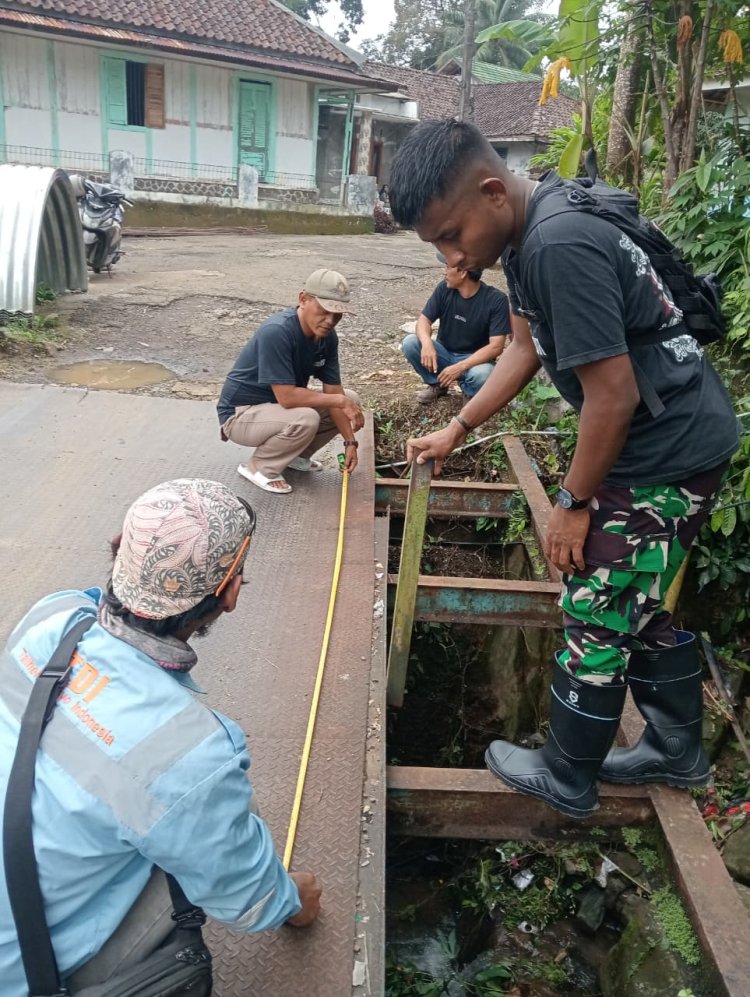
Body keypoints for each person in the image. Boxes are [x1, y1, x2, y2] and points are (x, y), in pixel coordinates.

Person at [389, 119, 739, 819]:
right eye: (436, 245)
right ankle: (676, 749)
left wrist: (573, 502)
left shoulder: (557, 243)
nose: (451, 256)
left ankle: (568, 773)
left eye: (451, 235)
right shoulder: (530, 228)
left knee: (595, 602)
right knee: (634, 597)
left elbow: (612, 396)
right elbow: (524, 349)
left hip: (663, 454)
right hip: (670, 438)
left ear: (492, 191)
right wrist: (458, 427)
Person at [0, 478, 322, 995]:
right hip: (24, 976)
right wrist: (291, 900)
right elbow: (248, 903)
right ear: (230, 593)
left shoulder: (53, 618)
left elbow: (95, 607)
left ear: (119, 550)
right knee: (201, 825)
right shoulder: (190, 753)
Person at [218, 268, 365, 495]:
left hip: (275, 410)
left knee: (350, 399)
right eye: (324, 310)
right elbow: (287, 398)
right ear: (303, 299)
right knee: (306, 418)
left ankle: (296, 456)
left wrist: (350, 442)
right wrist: (339, 401)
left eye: (337, 314)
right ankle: (259, 467)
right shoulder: (277, 331)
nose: (330, 321)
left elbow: (335, 391)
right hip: (240, 415)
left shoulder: (326, 337)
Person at [401, 254, 510, 403]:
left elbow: (496, 347)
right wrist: (426, 343)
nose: (444, 272)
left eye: (447, 266)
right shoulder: (444, 288)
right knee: (410, 343)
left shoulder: (496, 300)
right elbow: (423, 320)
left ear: (463, 272)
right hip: (444, 353)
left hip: (474, 361)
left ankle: (470, 392)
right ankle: (437, 384)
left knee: (484, 373)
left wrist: (461, 366)